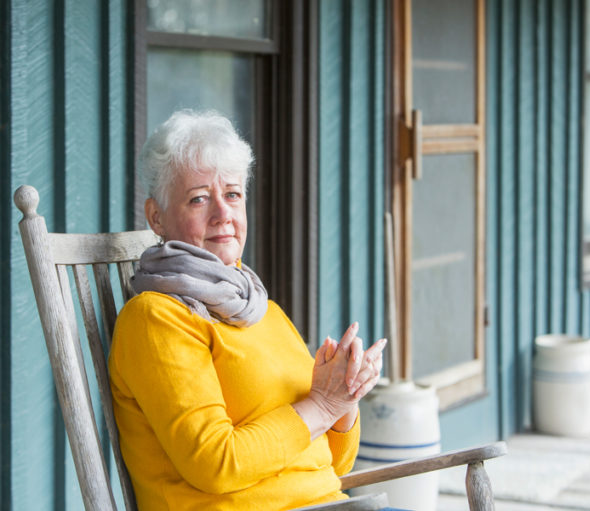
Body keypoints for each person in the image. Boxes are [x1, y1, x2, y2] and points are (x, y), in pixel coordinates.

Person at [108, 110, 387, 511]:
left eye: (233, 194)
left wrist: (343, 399)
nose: (223, 214)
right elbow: (216, 464)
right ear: (156, 216)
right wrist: (319, 406)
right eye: (199, 198)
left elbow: (331, 464)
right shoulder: (157, 318)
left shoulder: (261, 308)